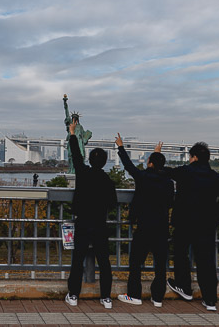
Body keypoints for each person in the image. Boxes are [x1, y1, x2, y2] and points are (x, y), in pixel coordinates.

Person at [115, 135, 174, 307]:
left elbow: (128, 166)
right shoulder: (169, 182)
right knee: (160, 264)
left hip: (144, 225)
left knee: (135, 262)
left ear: (149, 163)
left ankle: (134, 295)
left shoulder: (143, 177)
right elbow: (170, 202)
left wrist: (121, 147)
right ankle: (157, 298)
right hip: (162, 226)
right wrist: (157, 155)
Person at [164, 142, 219, 311]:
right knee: (206, 261)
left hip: (184, 222)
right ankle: (210, 299)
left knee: (181, 254)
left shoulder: (185, 172)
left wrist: (158, 156)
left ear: (194, 157)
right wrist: (215, 219)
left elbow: (166, 171)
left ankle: (184, 288)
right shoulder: (215, 177)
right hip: (206, 225)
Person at [65, 120, 117, 309]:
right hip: (100, 224)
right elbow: (113, 203)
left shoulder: (83, 173)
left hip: (83, 222)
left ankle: (73, 295)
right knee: (104, 261)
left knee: (77, 259)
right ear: (104, 162)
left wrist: (72, 133)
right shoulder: (108, 182)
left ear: (90, 160)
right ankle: (106, 298)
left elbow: (76, 156)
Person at [63, 94, 92, 174]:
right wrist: (65, 102)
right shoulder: (70, 125)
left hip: (80, 143)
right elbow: (66, 113)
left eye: (75, 119)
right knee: (71, 156)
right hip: (72, 142)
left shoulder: (80, 127)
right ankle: (72, 170)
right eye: (73, 118)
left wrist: (87, 136)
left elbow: (84, 136)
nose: (74, 120)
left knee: (81, 156)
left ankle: (78, 170)